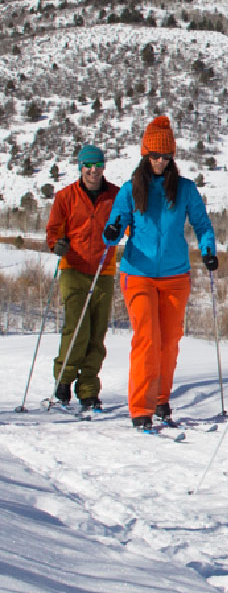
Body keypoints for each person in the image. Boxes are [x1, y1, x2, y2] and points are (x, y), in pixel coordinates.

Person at [103, 117, 217, 431]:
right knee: (147, 339)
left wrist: (208, 249)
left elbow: (203, 226)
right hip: (137, 273)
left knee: (169, 341)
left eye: (166, 157)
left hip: (175, 275)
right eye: (154, 155)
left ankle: (160, 398)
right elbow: (112, 230)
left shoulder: (184, 189)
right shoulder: (129, 190)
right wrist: (113, 230)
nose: (160, 161)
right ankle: (140, 407)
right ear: (144, 155)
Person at [44, 144, 120, 410]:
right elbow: (53, 230)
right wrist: (57, 244)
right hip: (73, 268)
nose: (93, 170)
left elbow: (128, 226)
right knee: (77, 328)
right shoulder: (66, 197)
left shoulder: (115, 196)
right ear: (80, 168)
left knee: (97, 333)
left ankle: (88, 389)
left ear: (103, 168)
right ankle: (63, 380)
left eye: (97, 166)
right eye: (88, 166)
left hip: (103, 269)